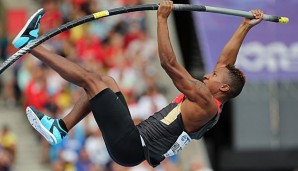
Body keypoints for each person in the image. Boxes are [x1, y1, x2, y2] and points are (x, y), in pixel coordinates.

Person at [12, 0, 264, 167]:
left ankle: (29, 45)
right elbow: (225, 64)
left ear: (222, 89)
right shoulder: (215, 105)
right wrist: (244, 27)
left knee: (92, 81)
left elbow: (168, 64)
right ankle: (61, 128)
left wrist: (162, 19)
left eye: (214, 77)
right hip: (132, 146)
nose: (208, 75)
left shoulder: (205, 100)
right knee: (106, 81)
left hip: (132, 145)